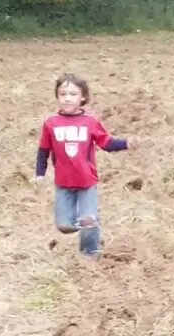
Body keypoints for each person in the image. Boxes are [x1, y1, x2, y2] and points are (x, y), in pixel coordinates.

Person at [33, 73, 139, 258]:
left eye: (73, 94)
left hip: (87, 181)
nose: (67, 98)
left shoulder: (90, 122)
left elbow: (105, 143)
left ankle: (90, 255)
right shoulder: (51, 123)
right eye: (63, 94)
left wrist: (125, 144)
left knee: (88, 220)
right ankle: (92, 231)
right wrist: (39, 174)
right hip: (63, 183)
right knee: (64, 225)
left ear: (83, 97)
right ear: (57, 96)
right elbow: (43, 150)